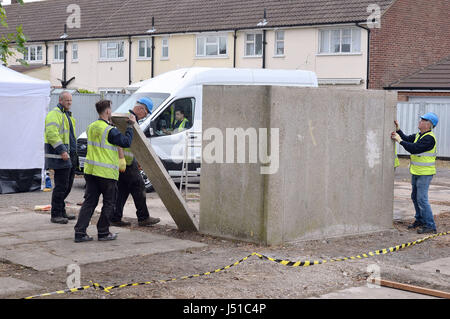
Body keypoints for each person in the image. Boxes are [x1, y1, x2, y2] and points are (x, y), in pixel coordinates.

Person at [74, 100, 136, 243]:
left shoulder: (91, 127)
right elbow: (125, 142)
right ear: (108, 111)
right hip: (106, 173)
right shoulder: (109, 130)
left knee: (89, 202)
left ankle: (80, 233)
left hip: (90, 171)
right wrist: (130, 126)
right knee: (109, 203)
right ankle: (103, 232)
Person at [110, 97, 160, 227]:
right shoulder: (129, 120)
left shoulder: (128, 119)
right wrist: (122, 158)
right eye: (146, 112)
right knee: (139, 187)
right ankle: (143, 218)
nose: (145, 116)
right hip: (125, 162)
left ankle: (115, 217)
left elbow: (134, 143)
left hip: (126, 161)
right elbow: (121, 140)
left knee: (122, 190)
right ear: (141, 109)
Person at [391, 112, 439, 234]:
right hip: (417, 171)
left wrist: (399, 141)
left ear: (428, 125)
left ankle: (430, 225)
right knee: (415, 197)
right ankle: (420, 220)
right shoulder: (420, 135)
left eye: (422, 120)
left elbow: (414, 148)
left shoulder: (429, 138)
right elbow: (407, 138)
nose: (420, 121)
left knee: (422, 199)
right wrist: (398, 130)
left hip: (425, 173)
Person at [44, 91, 78, 224]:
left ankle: (61, 211)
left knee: (67, 186)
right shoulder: (54, 114)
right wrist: (62, 151)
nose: (69, 102)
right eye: (66, 100)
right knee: (61, 187)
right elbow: (52, 134)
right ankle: (56, 214)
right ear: (60, 100)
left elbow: (71, 137)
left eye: (70, 100)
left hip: (69, 156)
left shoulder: (67, 115)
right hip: (60, 156)